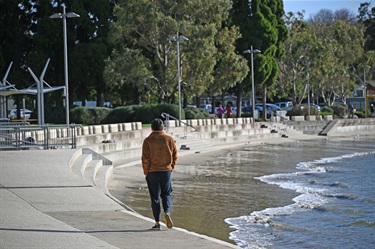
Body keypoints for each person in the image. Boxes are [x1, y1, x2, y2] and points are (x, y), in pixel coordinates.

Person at [142, 118, 178, 230]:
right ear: (163, 128)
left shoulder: (148, 140)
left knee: (155, 198)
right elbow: (175, 155)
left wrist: (146, 172)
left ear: (152, 128)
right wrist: (171, 167)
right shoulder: (169, 139)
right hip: (166, 171)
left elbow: (145, 159)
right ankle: (167, 211)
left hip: (153, 172)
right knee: (166, 194)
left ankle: (157, 223)